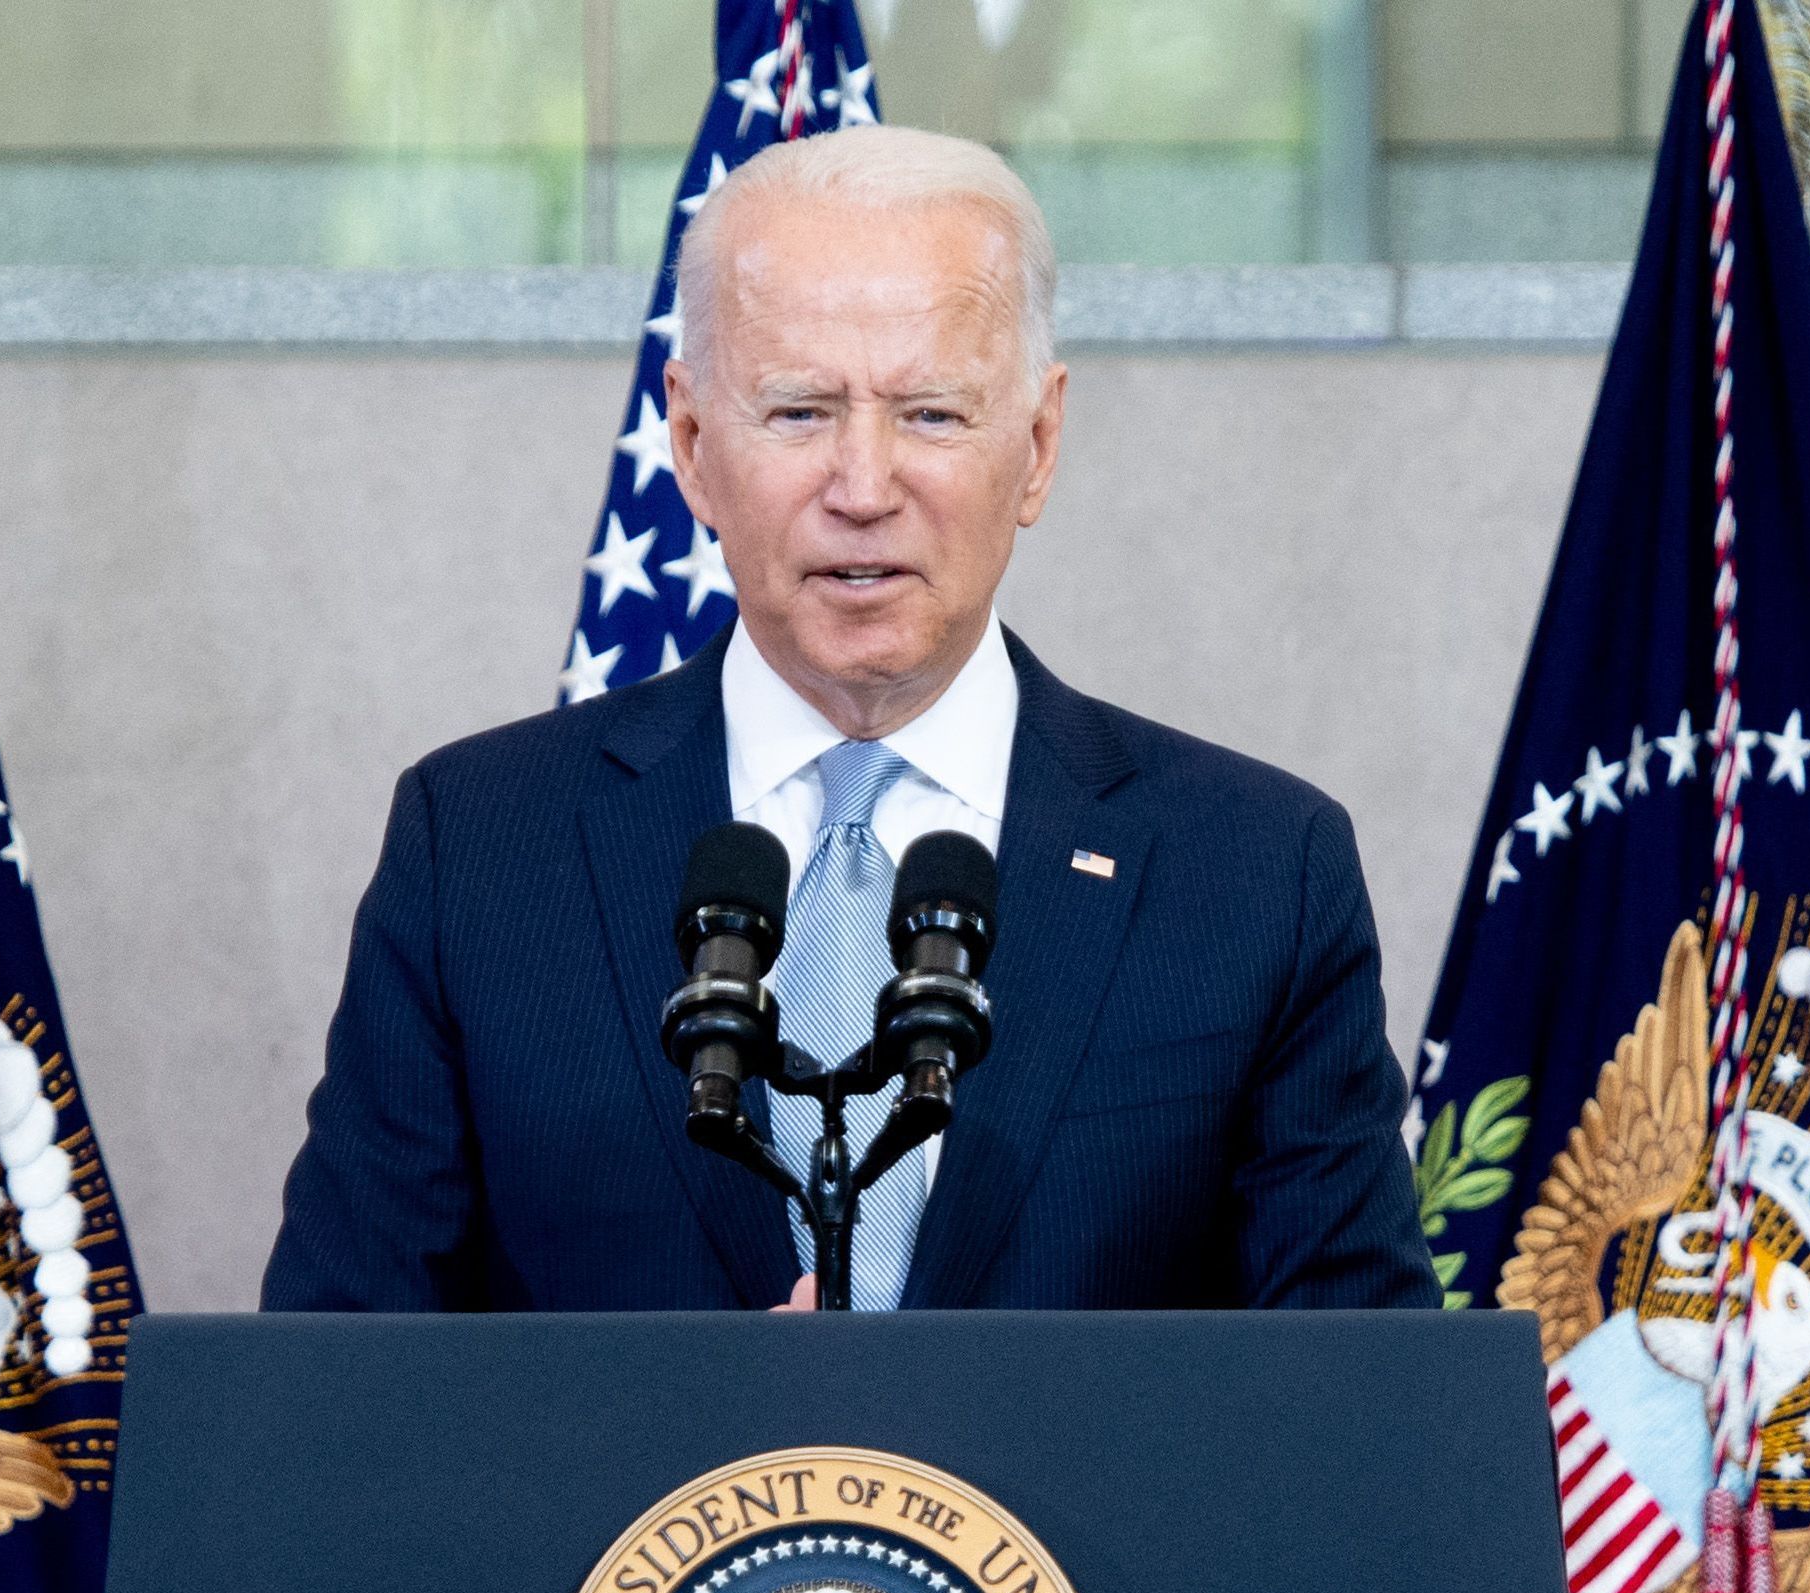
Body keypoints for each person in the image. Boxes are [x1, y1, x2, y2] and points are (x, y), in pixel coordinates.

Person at [259, 125, 1436, 1314]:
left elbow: (1357, 1418)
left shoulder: (1252, 871)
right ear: (693, 443)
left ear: (1034, 447)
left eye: (930, 415)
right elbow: (329, 1388)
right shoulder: (479, 850)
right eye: (799, 413)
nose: (864, 489)